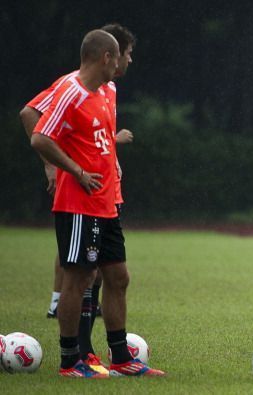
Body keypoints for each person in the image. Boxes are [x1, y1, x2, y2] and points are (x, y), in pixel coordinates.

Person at [30, 29, 164, 378]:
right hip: (79, 202)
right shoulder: (70, 91)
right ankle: (70, 360)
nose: (123, 62)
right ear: (107, 57)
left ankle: (120, 357)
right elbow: (40, 136)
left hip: (106, 202)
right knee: (79, 277)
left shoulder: (107, 90)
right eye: (120, 55)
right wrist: (72, 170)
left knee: (118, 277)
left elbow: (96, 138)